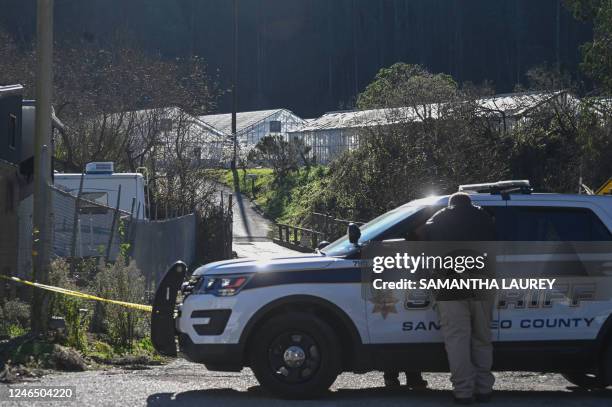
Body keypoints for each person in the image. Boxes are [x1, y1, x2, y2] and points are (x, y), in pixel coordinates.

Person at [423, 192, 496, 404]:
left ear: (450, 204)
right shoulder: (485, 218)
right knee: (482, 338)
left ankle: (463, 392)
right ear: (469, 203)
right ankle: (484, 389)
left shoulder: (437, 219)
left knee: (457, 340)